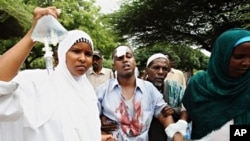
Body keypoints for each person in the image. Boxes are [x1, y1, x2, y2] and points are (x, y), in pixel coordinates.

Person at [0, 6, 113, 141]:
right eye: (76, 51)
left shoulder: (87, 93)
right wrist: (32, 35)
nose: (83, 58)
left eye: (88, 54)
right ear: (62, 53)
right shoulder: (39, 83)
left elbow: (76, 129)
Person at [96, 45, 185, 141]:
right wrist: (100, 129)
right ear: (113, 65)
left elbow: (164, 116)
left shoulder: (149, 89)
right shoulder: (102, 91)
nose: (125, 60)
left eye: (129, 56)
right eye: (120, 58)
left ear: (135, 61)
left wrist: (176, 136)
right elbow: (89, 120)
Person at [182, 28, 250, 141]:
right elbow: (188, 112)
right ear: (222, 55)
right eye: (239, 57)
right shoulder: (199, 84)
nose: (247, 63)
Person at [143, 53, 187, 141]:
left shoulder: (175, 88)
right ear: (147, 70)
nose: (160, 72)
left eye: (165, 69)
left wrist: (173, 111)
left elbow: (185, 108)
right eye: (156, 68)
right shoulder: (138, 88)